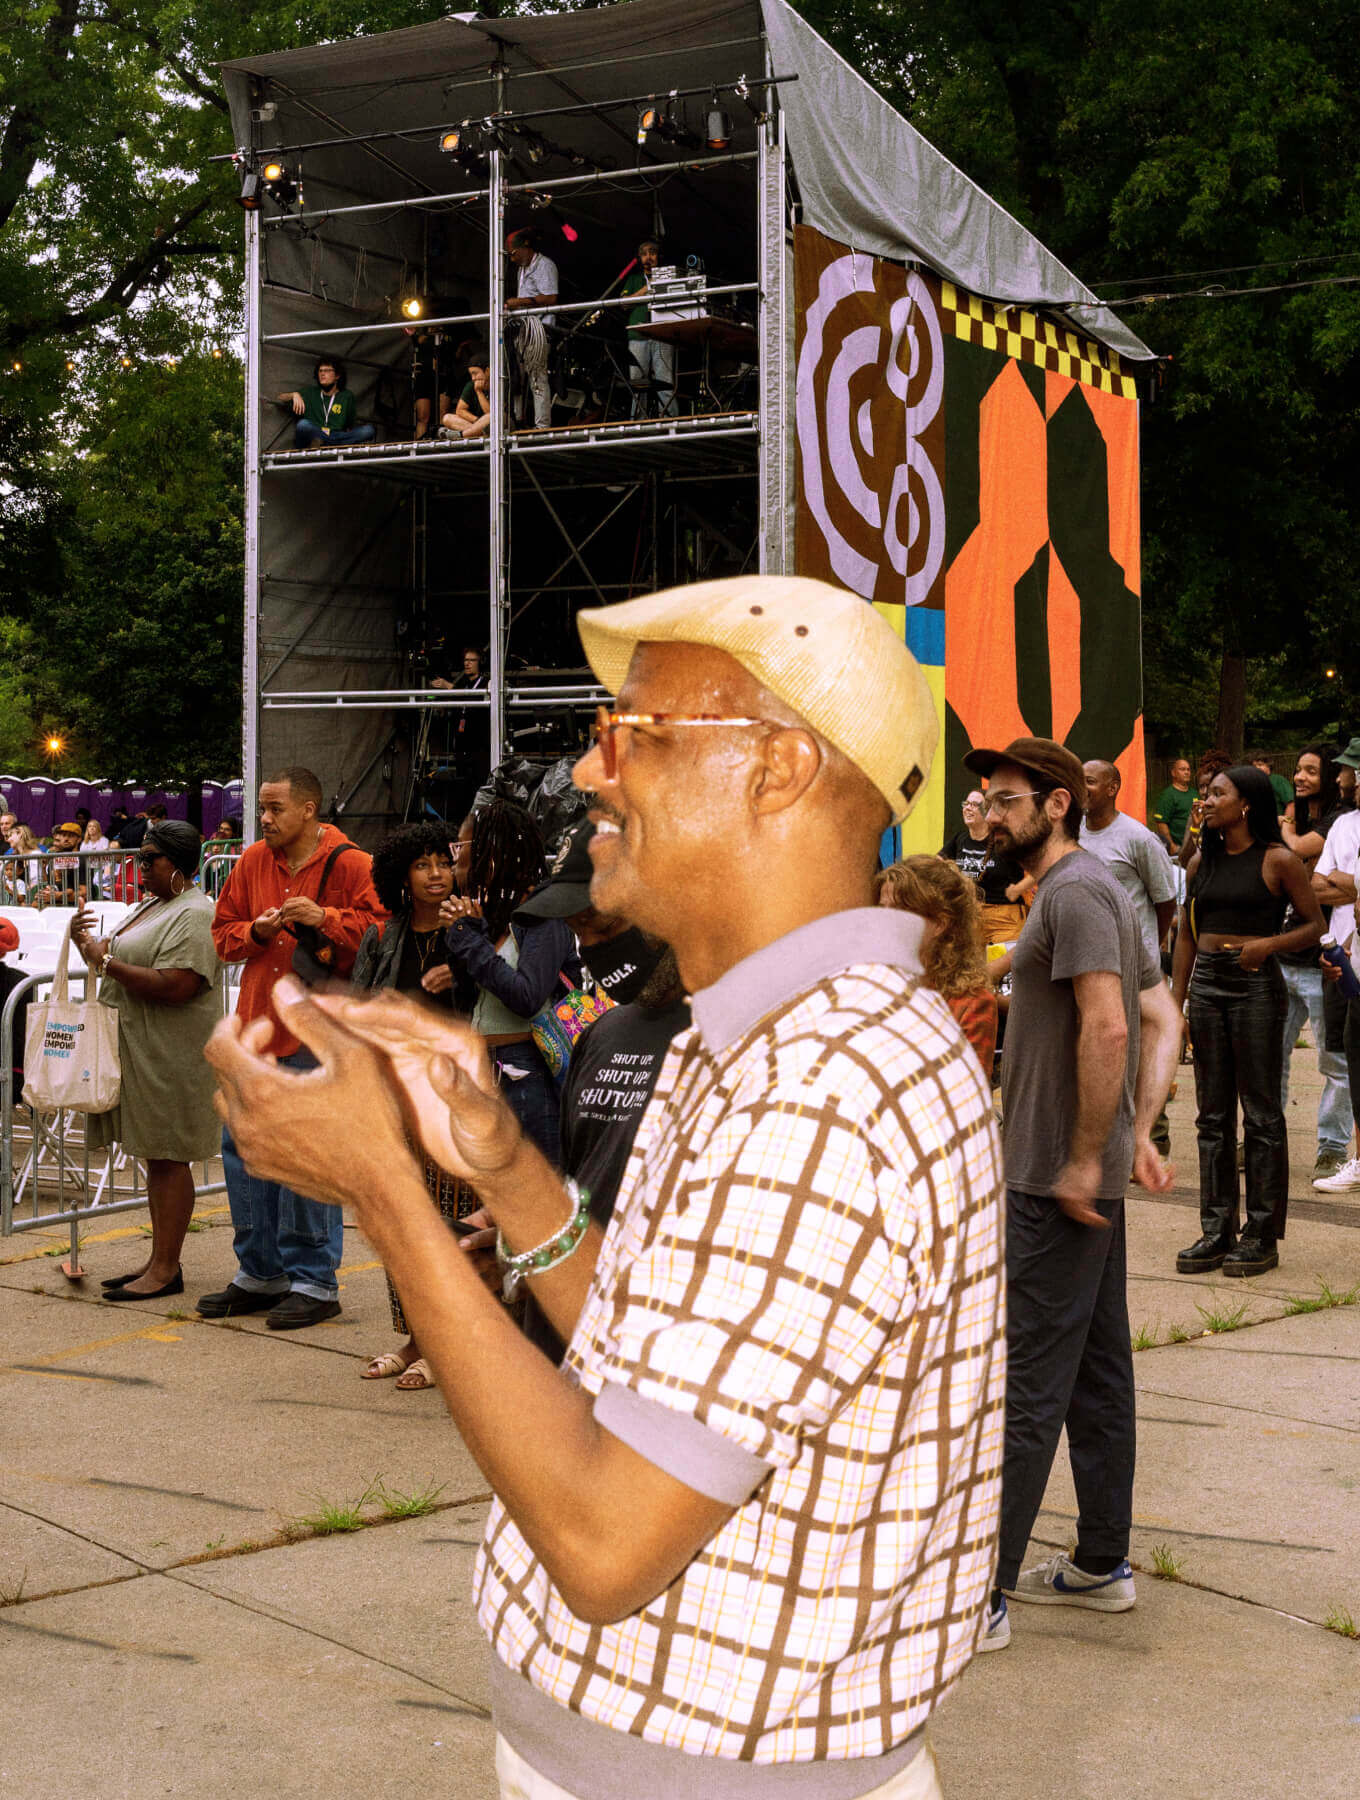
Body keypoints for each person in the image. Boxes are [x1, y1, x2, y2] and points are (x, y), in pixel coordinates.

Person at [207, 573, 1005, 1800]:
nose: (590, 774)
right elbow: (650, 1357)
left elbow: (601, 1540)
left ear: (778, 770)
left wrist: (383, 1188)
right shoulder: (756, 1035)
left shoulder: (823, 1083)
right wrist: (505, 1167)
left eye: (631, 733)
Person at [964, 736, 1181, 1653]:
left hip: (1056, 1177)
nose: (991, 813)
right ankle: (1101, 1564)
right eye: (989, 799)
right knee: (1096, 1375)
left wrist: (1090, 1154)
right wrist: (1133, 1129)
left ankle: (984, 1599)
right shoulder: (1074, 891)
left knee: (1026, 1384)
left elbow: (1111, 1022)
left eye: (1007, 800)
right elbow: (1161, 1017)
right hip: (1073, 1167)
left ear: (1055, 805)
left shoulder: (1082, 891)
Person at [203, 767, 383, 1329]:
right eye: (262, 807)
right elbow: (222, 935)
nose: (265, 818)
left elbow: (382, 933)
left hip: (317, 1034)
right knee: (245, 1154)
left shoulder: (353, 863)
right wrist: (256, 932)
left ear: (309, 809)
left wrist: (324, 918)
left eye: (276, 808)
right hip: (257, 1027)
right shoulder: (251, 860)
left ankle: (314, 1282)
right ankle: (259, 1273)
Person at [1171, 764, 1324, 1276]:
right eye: (1206, 793)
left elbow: (1314, 925)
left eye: (1218, 793)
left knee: (1260, 1116)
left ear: (1247, 805)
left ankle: (1260, 1233)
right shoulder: (1201, 864)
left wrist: (1268, 946)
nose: (1207, 801)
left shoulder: (1278, 859)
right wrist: (1178, 1001)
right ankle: (1216, 1229)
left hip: (1256, 986)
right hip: (1209, 986)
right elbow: (1188, 934)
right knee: (1211, 1116)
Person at [71, 822, 223, 1301]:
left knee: (169, 1158)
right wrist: (85, 945)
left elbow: (179, 985)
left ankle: (165, 1269)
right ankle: (161, 1261)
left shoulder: (197, 913)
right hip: (142, 1047)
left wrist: (105, 961)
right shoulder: (155, 905)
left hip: (171, 1053)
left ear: (178, 864)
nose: (140, 868)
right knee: (155, 1157)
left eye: (150, 859)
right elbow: (113, 955)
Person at [352, 822, 471, 1391]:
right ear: (402, 875)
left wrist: (466, 967)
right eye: (422, 865)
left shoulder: (470, 934)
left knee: (447, 1224)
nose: (435, 875)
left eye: (442, 862)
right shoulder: (383, 937)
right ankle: (415, 1336)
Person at [439, 799, 568, 1166]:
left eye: (459, 848)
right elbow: (466, 1001)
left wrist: (469, 939)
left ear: (489, 853)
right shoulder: (496, 913)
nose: (453, 860)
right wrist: (464, 933)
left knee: (536, 1195)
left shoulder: (542, 915)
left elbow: (526, 997)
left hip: (528, 1071)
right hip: (486, 1069)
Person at [1275, 744, 1350, 1180]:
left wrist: (1286, 821)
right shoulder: (1301, 820)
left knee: (1334, 1061)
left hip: (1322, 961)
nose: (1300, 778)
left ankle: (1332, 1147)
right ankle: (1268, 1140)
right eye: (1297, 770)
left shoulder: (1337, 821)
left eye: (1309, 771)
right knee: (1273, 1056)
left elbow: (1305, 859)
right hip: (1284, 955)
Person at [877, 855, 998, 1076]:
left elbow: (965, 1096)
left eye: (897, 910)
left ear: (940, 924)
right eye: (882, 908)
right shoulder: (875, 984)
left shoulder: (970, 1003)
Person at [1311, 737, 1360, 1192]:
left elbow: (1334, 883)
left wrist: (1347, 883)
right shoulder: (1345, 825)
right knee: (1350, 1057)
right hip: (1348, 960)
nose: (1341, 776)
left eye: (1347, 770)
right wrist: (1354, 888)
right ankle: (1355, 1157)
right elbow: (1316, 886)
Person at [939, 789, 1032, 944]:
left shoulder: (1006, 841)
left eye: (975, 805)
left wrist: (1020, 889)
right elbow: (935, 866)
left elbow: (1039, 869)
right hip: (970, 917)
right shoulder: (959, 839)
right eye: (966, 803)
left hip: (1005, 920)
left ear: (989, 811)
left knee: (1003, 965)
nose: (968, 808)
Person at [505, 229, 558, 429]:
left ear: (524, 248)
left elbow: (551, 298)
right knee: (516, 375)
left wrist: (519, 302)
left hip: (540, 329)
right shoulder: (522, 269)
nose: (512, 259)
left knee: (537, 375)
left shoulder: (544, 265)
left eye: (513, 253)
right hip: (523, 328)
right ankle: (518, 421)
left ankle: (542, 424)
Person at [621, 239, 677, 419]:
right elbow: (623, 304)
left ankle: (669, 420)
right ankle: (637, 423)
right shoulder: (633, 279)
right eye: (644, 254)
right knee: (638, 383)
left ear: (658, 256)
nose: (648, 257)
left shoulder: (668, 276)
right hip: (637, 335)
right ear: (639, 258)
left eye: (652, 253)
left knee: (665, 380)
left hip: (662, 333)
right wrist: (648, 287)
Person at [276, 358, 377, 450]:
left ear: (337, 375)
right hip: (313, 435)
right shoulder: (310, 392)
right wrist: (294, 394)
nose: (322, 374)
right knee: (303, 425)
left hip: (335, 435)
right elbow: (279, 398)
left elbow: (349, 425)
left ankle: (326, 443)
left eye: (327, 370)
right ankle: (334, 444)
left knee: (368, 430)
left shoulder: (346, 396)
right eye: (320, 371)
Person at [438, 345, 491, 439]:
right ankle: (478, 434)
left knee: (490, 418)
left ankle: (463, 435)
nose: (473, 378)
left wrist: (479, 392)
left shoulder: (498, 384)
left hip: (496, 425)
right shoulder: (471, 385)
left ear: (487, 371)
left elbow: (491, 415)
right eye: (471, 374)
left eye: (475, 373)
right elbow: (460, 410)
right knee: (447, 418)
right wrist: (477, 422)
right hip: (478, 425)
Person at [1150, 756, 1195, 852]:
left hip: (1195, 845)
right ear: (1173, 773)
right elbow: (1161, 823)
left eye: (1188, 769)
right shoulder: (1168, 795)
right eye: (1182, 769)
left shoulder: (1195, 793)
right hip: (1178, 848)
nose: (1186, 772)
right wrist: (1172, 846)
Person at [1250, 751, 1295, 816]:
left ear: (1269, 765)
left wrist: (1287, 823)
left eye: (1260, 764)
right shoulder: (1251, 783)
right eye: (1254, 766)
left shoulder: (1278, 780)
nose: (1257, 768)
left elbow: (1291, 804)